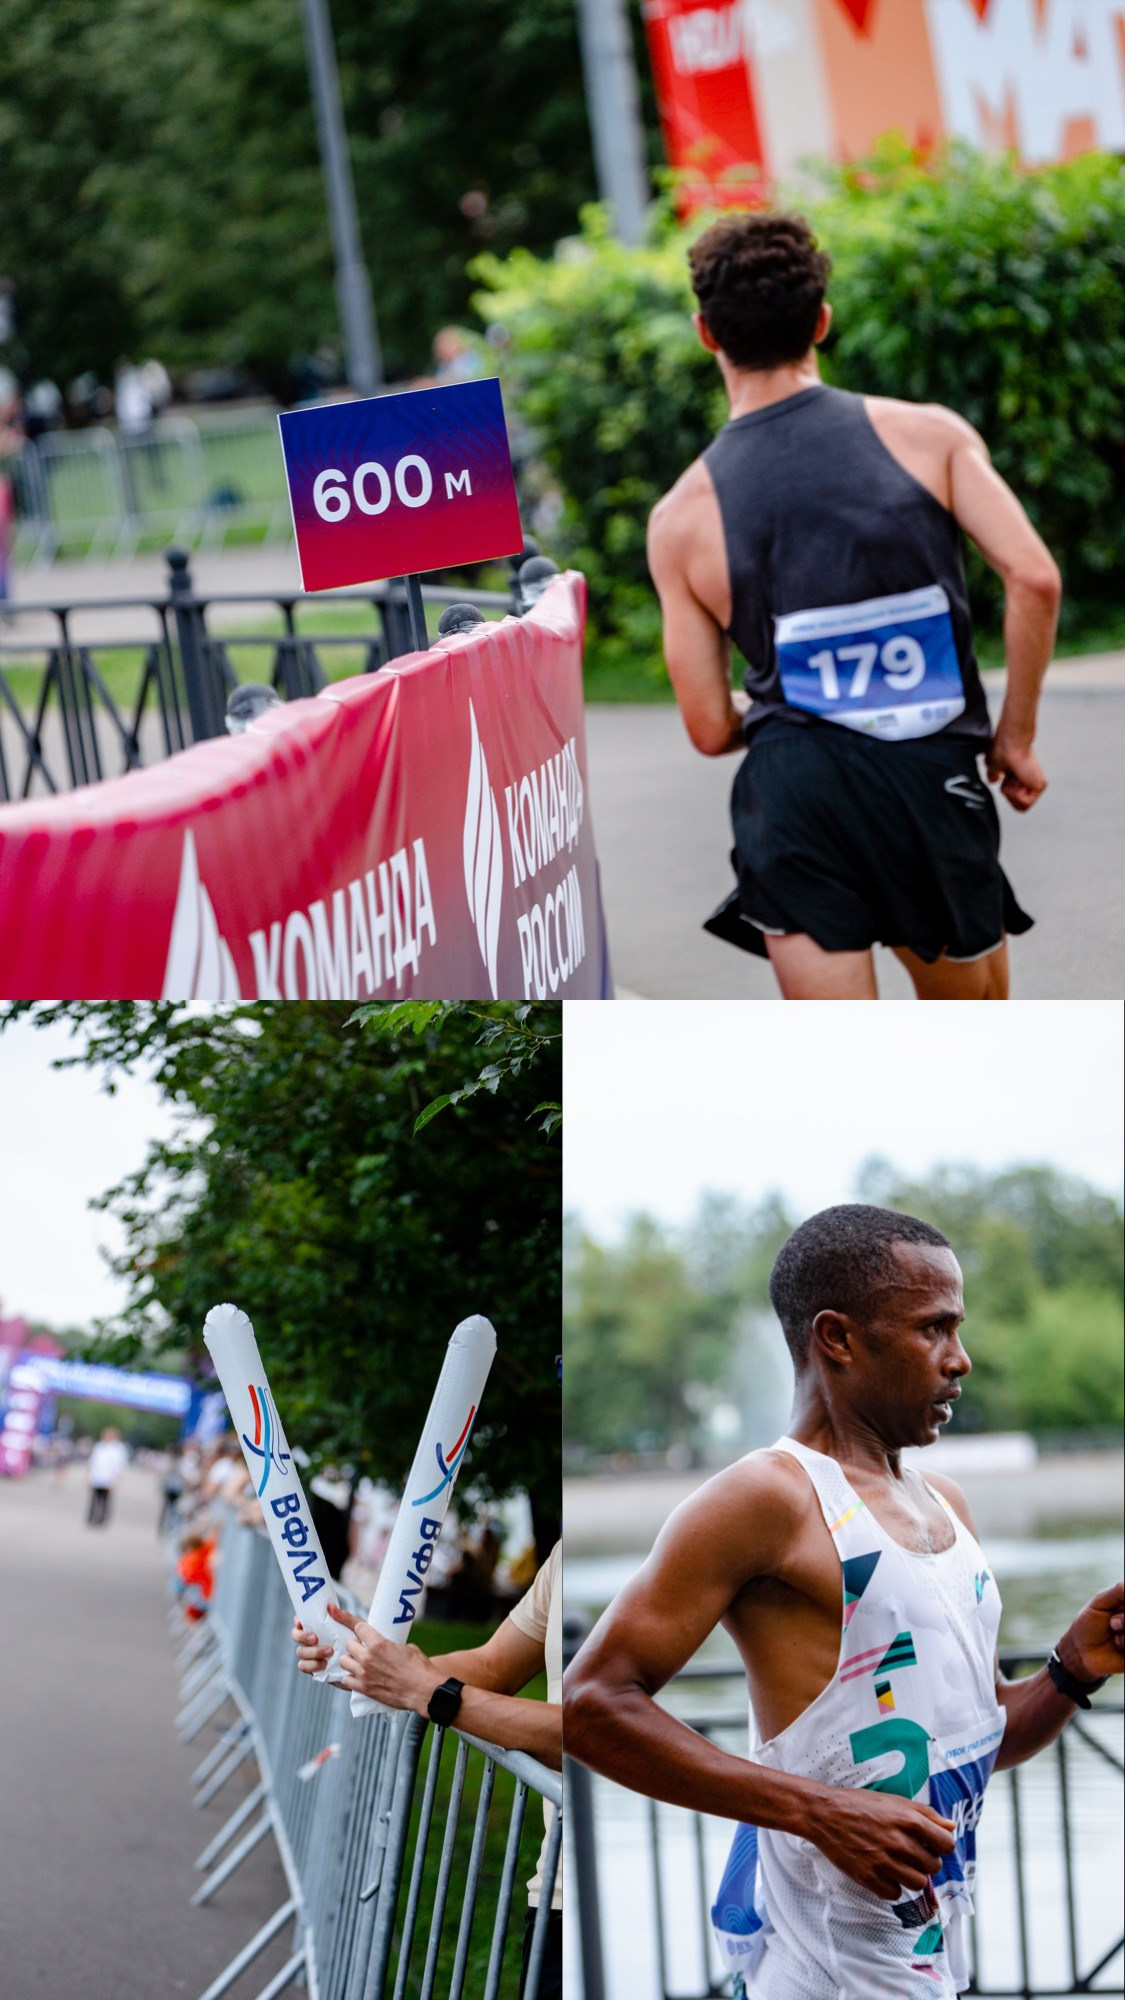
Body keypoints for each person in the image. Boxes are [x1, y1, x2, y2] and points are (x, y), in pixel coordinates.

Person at [564, 1205, 1123, 1999]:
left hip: (925, 1964)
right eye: (932, 1329)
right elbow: (590, 1704)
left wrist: (1070, 1670)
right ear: (837, 1338)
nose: (959, 1360)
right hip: (825, 1973)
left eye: (956, 1330)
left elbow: (970, 1743)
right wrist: (817, 1811)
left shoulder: (944, 1504)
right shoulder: (769, 1498)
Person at [646, 213, 1063, 1001]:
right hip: (926, 781)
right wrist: (1015, 736)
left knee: (849, 1076)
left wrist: (793, 701)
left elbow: (706, 728)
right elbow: (1033, 578)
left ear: (707, 334)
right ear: (821, 322)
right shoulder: (928, 437)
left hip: (794, 800)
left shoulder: (679, 518)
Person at [293, 1541, 562, 2000]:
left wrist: (437, 1695)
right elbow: (494, 1664)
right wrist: (362, 1669)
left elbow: (609, 1732)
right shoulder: (564, 1554)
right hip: (555, 1893)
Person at [86, 1425, 129, 1526]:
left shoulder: (119, 1448)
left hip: (109, 1478)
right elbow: (92, 1462)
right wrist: (88, 1476)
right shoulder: (99, 1446)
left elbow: (120, 1466)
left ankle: (101, 1519)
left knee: (105, 1500)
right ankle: (91, 1518)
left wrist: (116, 1481)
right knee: (94, 1498)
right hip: (97, 1476)